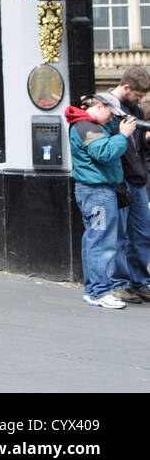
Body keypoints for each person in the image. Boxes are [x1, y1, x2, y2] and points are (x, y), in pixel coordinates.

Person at [65, 93, 137, 309]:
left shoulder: (89, 124)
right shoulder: (87, 127)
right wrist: (123, 135)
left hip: (95, 192)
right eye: (110, 113)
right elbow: (104, 153)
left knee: (94, 240)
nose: (111, 119)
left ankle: (93, 290)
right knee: (102, 242)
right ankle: (99, 291)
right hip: (97, 193)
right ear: (100, 106)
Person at [95, 71, 150, 304]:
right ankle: (120, 283)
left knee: (143, 233)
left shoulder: (134, 109)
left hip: (137, 179)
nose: (139, 100)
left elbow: (137, 147)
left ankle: (140, 281)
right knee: (120, 235)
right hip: (120, 181)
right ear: (126, 87)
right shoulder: (106, 108)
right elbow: (106, 148)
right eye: (137, 95)